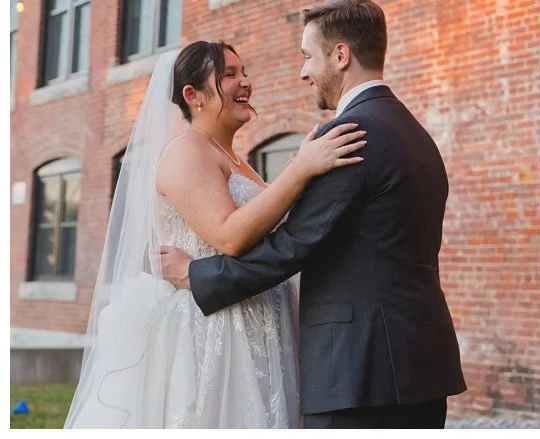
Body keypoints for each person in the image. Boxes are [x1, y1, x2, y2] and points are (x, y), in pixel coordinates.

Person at [160, 0, 467, 429]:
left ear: (341, 56)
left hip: (361, 370)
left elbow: (292, 245)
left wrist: (196, 275)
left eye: (307, 56)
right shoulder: (412, 131)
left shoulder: (350, 134)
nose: (303, 72)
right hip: (416, 362)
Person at [65, 41, 366, 428]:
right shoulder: (186, 150)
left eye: (244, 72)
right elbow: (228, 236)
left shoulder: (236, 160)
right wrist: (298, 173)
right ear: (192, 95)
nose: (246, 82)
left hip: (262, 320)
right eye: (229, 74)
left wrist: (299, 179)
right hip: (216, 328)